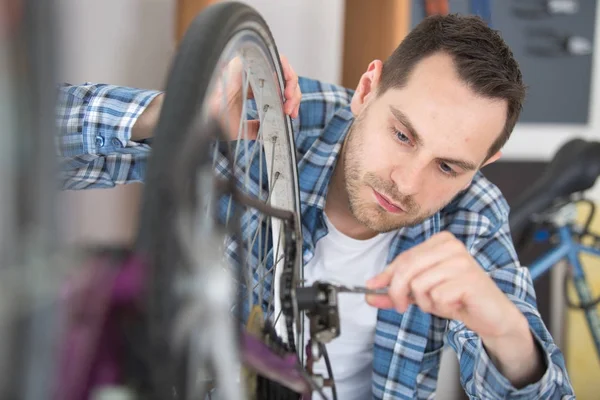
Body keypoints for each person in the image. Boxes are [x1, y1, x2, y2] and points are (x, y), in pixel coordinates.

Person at [56, 14, 575, 400]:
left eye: (448, 167)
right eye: (402, 134)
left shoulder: (473, 213)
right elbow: (38, 149)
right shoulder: (270, 123)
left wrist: (503, 328)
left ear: (485, 163)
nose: (405, 181)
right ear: (367, 90)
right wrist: (175, 117)